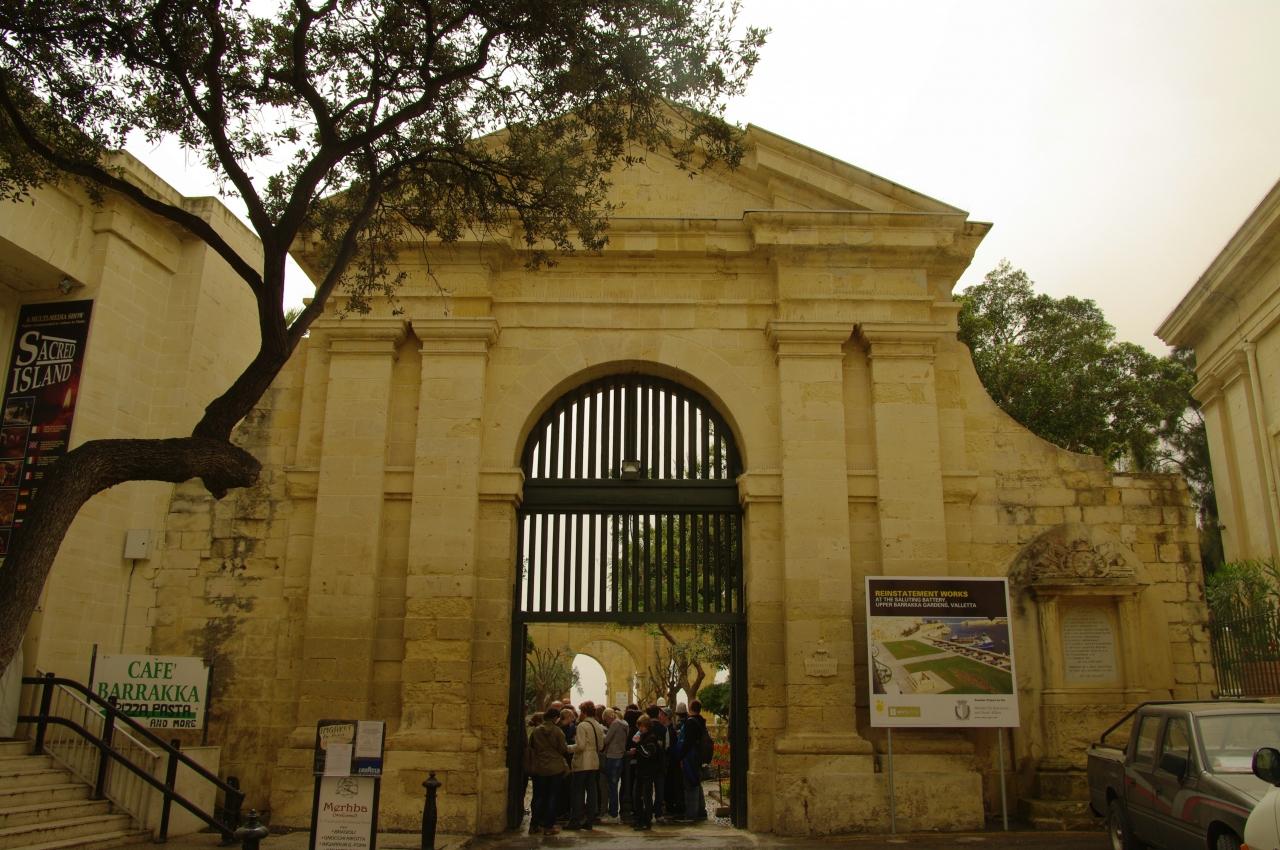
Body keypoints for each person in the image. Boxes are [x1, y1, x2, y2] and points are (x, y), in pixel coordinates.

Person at [527, 708, 570, 836]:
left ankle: (534, 825)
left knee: (538, 796)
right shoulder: (558, 731)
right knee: (552, 797)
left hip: (539, 767)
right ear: (555, 718)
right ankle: (548, 826)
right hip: (555, 767)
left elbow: (531, 746)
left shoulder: (536, 731)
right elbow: (563, 749)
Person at [566, 700, 604, 830]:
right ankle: (590, 820)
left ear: (584, 712)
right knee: (592, 791)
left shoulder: (582, 725)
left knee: (578, 792)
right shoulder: (598, 725)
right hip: (594, 761)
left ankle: (575, 820)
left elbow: (580, 746)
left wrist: (568, 748)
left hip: (582, 762)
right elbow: (601, 746)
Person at [628, 715, 662, 831]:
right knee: (637, 796)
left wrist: (638, 746)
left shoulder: (651, 738)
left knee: (646, 797)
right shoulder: (644, 736)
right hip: (641, 770)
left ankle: (646, 821)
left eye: (641, 726)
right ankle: (639, 819)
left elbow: (648, 753)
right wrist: (636, 749)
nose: (639, 729)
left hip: (648, 771)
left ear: (646, 726)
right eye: (639, 726)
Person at [676, 700, 708, 822]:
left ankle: (691, 814)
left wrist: (680, 757)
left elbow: (687, 743)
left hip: (690, 757)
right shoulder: (701, 721)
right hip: (698, 756)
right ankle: (701, 811)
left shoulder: (690, 722)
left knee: (690, 785)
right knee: (696, 783)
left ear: (690, 708)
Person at [601, 708, 628, 820]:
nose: (606, 722)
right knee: (615, 785)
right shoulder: (625, 724)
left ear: (609, 717)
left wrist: (602, 734)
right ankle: (614, 810)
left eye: (606, 720)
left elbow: (606, 740)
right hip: (620, 756)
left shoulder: (615, 724)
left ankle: (613, 811)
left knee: (612, 786)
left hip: (612, 756)